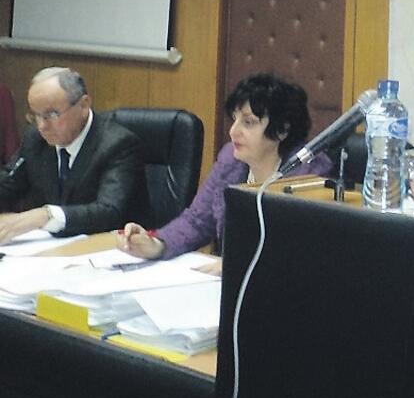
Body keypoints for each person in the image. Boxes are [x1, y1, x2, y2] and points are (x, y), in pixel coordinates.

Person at [117, 73, 334, 271]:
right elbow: (196, 221)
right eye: (234, 119)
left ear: (282, 130)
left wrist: (235, 265)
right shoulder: (231, 160)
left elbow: (297, 252)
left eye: (248, 123)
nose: (233, 131)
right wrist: (157, 244)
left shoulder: (309, 174)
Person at [0, 67, 145, 242]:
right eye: (35, 116)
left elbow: (109, 212)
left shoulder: (118, 144)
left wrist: (45, 215)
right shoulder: (35, 139)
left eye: (51, 115)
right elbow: (8, 184)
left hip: (111, 247)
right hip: (50, 248)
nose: (41, 126)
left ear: (83, 105)